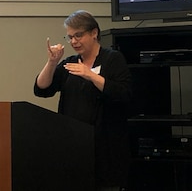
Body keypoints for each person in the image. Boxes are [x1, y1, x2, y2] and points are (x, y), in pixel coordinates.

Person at [34, 10, 133, 191]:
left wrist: (91, 76)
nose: (73, 42)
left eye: (78, 35)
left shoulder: (112, 59)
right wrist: (52, 62)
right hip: (75, 146)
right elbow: (42, 89)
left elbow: (122, 93)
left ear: (94, 33)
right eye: (70, 37)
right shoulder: (71, 62)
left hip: (106, 147)